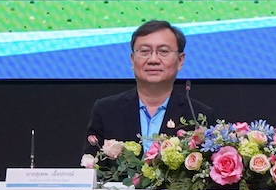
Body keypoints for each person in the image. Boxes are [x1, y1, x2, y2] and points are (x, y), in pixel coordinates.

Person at [86, 20, 208, 151]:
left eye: (163, 51)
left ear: (180, 60)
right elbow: (90, 162)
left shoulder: (198, 115)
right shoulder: (106, 111)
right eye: (144, 51)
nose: (153, 60)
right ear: (132, 59)